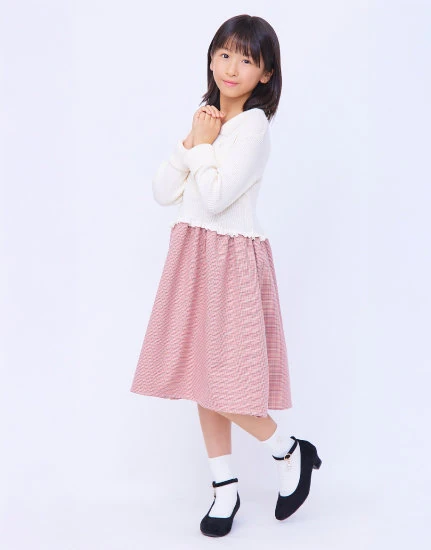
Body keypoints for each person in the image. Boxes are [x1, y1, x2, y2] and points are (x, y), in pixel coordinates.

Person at [130, 14, 322, 537]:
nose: (231, 68)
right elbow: (163, 191)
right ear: (211, 58)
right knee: (201, 374)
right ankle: (225, 488)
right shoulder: (209, 123)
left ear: (266, 73)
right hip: (194, 254)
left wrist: (202, 144)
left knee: (226, 381)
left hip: (230, 260)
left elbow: (215, 197)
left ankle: (288, 450)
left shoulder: (252, 128)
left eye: (247, 59)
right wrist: (193, 140)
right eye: (224, 54)